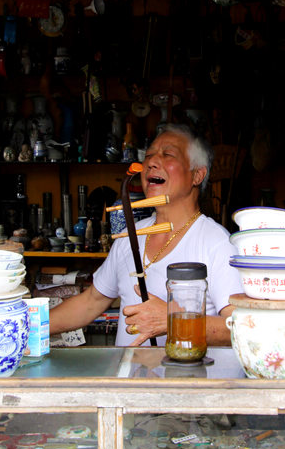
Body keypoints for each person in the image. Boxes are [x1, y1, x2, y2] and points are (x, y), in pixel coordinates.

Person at [49, 123, 243, 347]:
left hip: (188, 380)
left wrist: (174, 322)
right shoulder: (130, 234)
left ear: (197, 175)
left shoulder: (216, 243)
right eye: (148, 155)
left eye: (167, 154)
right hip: (130, 379)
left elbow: (240, 327)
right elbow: (92, 301)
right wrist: (31, 327)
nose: (151, 162)